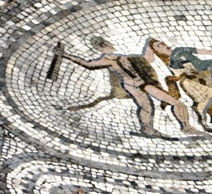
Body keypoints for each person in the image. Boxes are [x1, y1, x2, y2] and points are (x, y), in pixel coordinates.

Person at [63, 37, 204, 137]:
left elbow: (147, 59)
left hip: (137, 84)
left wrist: (149, 45)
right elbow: (87, 65)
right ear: (104, 46)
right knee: (168, 104)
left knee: (148, 107)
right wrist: (66, 55)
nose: (110, 45)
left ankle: (151, 129)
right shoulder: (108, 59)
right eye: (106, 44)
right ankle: (184, 128)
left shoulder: (120, 57)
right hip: (136, 85)